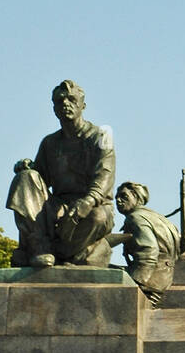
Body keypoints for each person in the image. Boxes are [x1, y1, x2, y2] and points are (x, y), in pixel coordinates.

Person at [6, 80, 115, 268]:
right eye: (59, 101)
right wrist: (28, 168)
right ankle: (40, 246)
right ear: (54, 108)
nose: (65, 104)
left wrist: (88, 201)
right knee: (25, 178)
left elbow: (104, 175)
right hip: (58, 206)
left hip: (92, 205)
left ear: (83, 105)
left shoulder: (99, 137)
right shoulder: (49, 143)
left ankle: (61, 252)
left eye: (72, 99)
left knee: (99, 217)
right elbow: (39, 180)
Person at [108, 182, 180, 305]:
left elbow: (148, 252)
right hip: (166, 278)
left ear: (136, 196)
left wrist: (135, 284)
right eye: (116, 198)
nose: (118, 201)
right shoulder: (161, 219)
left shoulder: (135, 218)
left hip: (151, 282)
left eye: (124, 196)